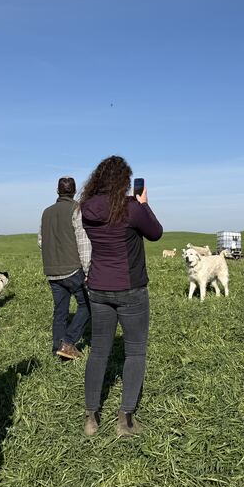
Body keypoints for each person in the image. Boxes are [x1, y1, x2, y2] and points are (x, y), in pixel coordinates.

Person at [79, 156, 162, 436]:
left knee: (99, 352)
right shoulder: (130, 208)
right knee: (135, 352)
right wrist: (144, 204)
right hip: (131, 289)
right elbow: (156, 233)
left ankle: (91, 417)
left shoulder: (86, 208)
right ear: (124, 182)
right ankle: (125, 420)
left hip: (98, 288)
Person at [38, 176, 91, 360]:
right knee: (87, 306)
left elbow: (40, 241)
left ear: (57, 191)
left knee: (60, 312)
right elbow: (83, 242)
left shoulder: (46, 212)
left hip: (52, 271)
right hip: (73, 269)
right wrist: (88, 270)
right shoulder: (77, 209)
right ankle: (68, 342)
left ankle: (56, 350)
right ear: (74, 190)